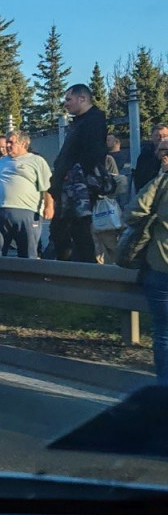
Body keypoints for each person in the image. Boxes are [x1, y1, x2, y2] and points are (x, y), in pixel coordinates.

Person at [47, 84, 110, 262]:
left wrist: (72, 172)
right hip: (69, 188)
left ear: (82, 99)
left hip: (79, 190)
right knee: (62, 232)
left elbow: (93, 155)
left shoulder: (93, 122)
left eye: (68, 99)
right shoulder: (80, 123)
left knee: (79, 233)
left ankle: (83, 276)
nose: (65, 104)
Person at [130, 143, 168, 385]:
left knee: (164, 332)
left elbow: (134, 211)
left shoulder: (161, 183)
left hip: (161, 264)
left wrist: (161, 176)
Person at [0, 130, 52, 259]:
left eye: (11, 142)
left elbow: (47, 186)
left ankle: (27, 278)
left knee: (27, 254)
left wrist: (49, 206)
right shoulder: (1, 161)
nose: (7, 145)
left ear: (23, 143)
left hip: (27, 212)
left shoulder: (37, 160)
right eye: (7, 142)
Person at [92, 154, 128, 264]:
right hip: (103, 212)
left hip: (96, 210)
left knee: (107, 246)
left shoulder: (106, 159)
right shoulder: (104, 159)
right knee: (109, 247)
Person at [133, 123, 168, 192]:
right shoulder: (145, 155)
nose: (161, 138)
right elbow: (141, 178)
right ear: (152, 137)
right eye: (157, 135)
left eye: (165, 136)